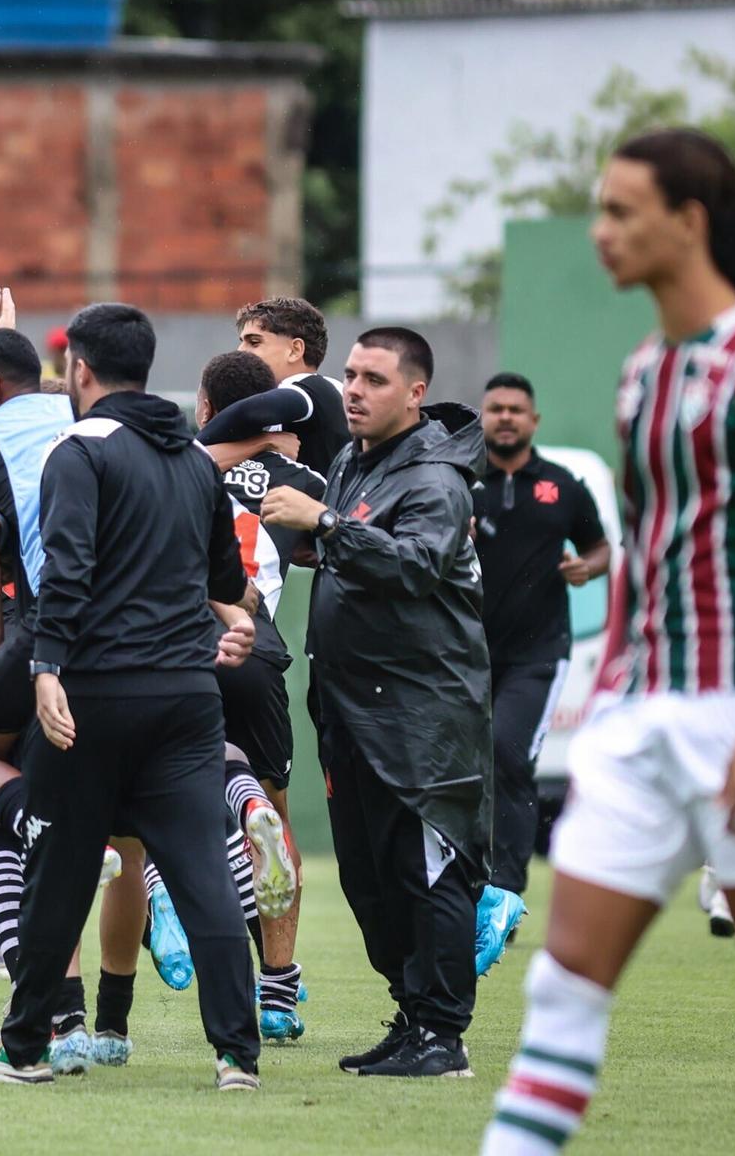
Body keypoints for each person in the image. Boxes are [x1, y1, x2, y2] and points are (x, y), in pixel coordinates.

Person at [484, 129, 735, 1155]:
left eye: (620, 211)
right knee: (560, 993)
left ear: (688, 222)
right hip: (642, 720)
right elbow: (646, 549)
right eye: (598, 210)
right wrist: (610, 698)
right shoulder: (644, 371)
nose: (600, 232)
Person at [0, 302, 262, 1090]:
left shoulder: (77, 450)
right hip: (189, 698)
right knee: (202, 879)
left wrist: (46, 669)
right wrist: (241, 622)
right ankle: (237, 1057)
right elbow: (228, 582)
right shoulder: (193, 458)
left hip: (95, 697)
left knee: (57, 873)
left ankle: (23, 1049)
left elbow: (69, 569)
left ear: (79, 371)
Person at [262, 326, 491, 1079]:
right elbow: (348, 550)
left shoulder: (434, 477)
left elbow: (418, 566)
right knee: (369, 879)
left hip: (421, 712)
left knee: (429, 875)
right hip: (354, 707)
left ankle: (443, 1036)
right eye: (352, 375)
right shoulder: (355, 460)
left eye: (376, 379)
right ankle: (411, 1015)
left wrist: (325, 523)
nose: (355, 390)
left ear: (416, 392)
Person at [196, 349, 328, 1042]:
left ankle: (165, 909)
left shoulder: (179, 458)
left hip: (185, 648)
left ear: (207, 407)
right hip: (259, 655)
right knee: (274, 817)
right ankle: (278, 991)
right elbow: (324, 547)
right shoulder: (301, 478)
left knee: (157, 804)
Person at [471, 372, 611, 961]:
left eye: (516, 410)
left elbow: (601, 547)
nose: (505, 417)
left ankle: (506, 890)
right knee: (463, 767)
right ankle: (466, 888)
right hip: (466, 654)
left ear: (534, 421)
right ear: (484, 416)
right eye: (496, 408)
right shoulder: (461, 479)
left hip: (537, 655)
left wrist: (590, 567)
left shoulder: (563, 485)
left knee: (508, 751)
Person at [236, 297, 349, 475]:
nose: (240, 350)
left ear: (295, 350)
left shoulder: (308, 387)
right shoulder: (333, 389)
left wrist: (195, 448)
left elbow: (243, 414)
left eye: (254, 342)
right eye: (241, 341)